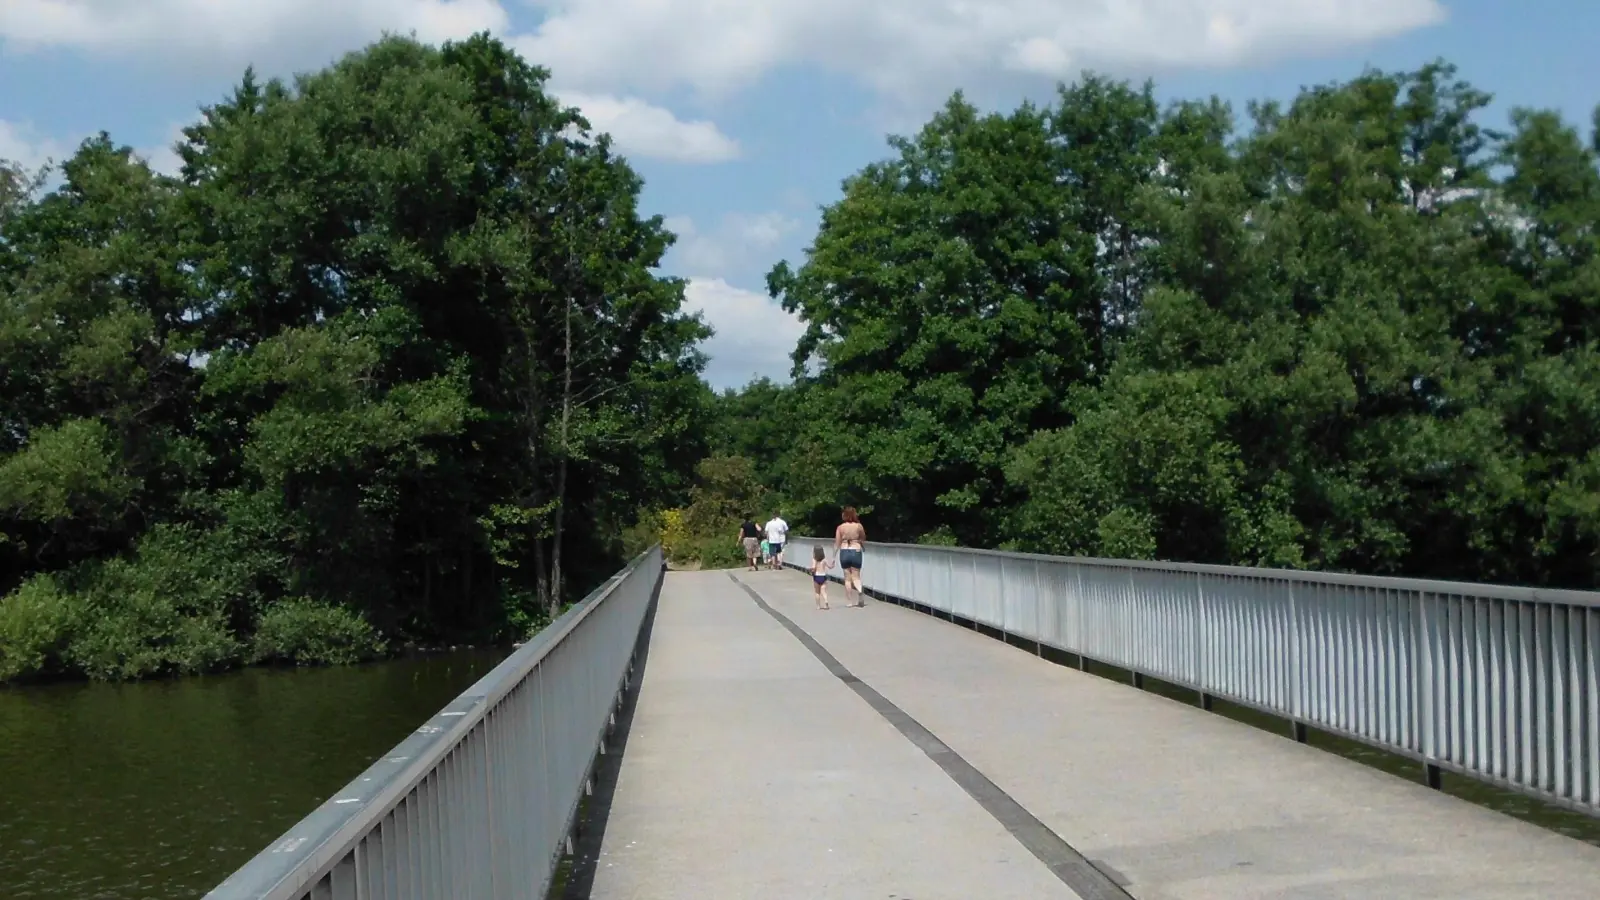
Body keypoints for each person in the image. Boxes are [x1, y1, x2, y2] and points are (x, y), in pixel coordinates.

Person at [834, 506, 866, 607]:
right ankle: (860, 591)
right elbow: (863, 538)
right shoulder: (858, 526)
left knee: (847, 578)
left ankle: (849, 601)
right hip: (856, 550)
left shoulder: (840, 527)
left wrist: (833, 557)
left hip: (844, 550)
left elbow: (837, 543)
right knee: (856, 576)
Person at [809, 545, 833, 610]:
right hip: (823, 576)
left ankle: (818, 606)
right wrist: (832, 564)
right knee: (824, 591)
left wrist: (811, 570)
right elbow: (830, 567)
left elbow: (813, 568)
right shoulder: (824, 560)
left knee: (817, 592)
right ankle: (826, 601)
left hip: (817, 576)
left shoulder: (814, 560)